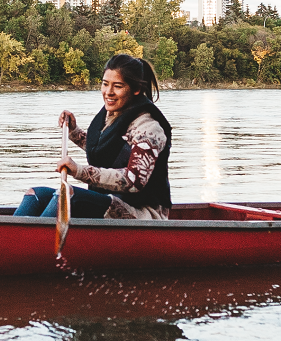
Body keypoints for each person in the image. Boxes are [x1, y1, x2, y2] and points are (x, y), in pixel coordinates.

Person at [12, 53, 174, 221]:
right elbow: (108, 149)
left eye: (117, 86)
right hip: (111, 201)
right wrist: (74, 131)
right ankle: (13, 240)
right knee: (35, 194)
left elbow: (134, 180)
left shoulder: (148, 127)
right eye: (105, 84)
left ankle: (34, 244)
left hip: (142, 214)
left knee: (66, 195)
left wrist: (79, 171)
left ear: (136, 90)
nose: (108, 92)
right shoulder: (113, 115)